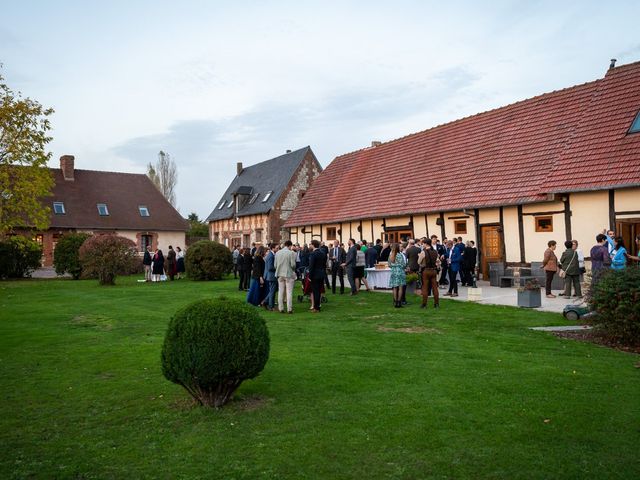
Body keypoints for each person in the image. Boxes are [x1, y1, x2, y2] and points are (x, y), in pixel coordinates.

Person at [275, 240, 297, 313]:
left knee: (280, 291)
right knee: (289, 292)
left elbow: (275, 265)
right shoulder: (291, 253)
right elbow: (293, 265)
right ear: (290, 246)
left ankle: (280, 308)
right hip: (288, 274)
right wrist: (293, 268)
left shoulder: (277, 253)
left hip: (280, 274)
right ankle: (289, 309)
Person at [418, 238, 440, 309]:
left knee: (425, 287)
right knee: (435, 287)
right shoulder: (435, 251)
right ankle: (436, 304)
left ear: (425, 244)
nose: (422, 245)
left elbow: (418, 262)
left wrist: (421, 260)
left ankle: (424, 304)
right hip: (434, 270)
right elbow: (438, 262)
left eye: (423, 243)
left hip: (426, 271)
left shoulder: (423, 252)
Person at [308, 240, 327, 313]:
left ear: (313, 245)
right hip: (321, 273)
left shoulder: (313, 254)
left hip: (315, 275)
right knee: (319, 291)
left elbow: (311, 266)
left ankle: (316, 308)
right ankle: (318, 306)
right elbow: (324, 264)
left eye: (310, 244)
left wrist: (310, 276)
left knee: (315, 291)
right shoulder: (322, 253)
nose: (310, 246)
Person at [388, 243, 407, 308]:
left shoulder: (390, 255)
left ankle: (395, 302)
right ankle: (399, 302)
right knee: (400, 288)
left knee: (395, 288)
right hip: (400, 272)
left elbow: (389, 265)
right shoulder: (399, 255)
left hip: (393, 272)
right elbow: (403, 265)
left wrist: (394, 266)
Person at [261, 243, 278, 311]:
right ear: (272, 248)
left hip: (269, 275)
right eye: (276, 248)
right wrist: (277, 268)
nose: (277, 249)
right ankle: (270, 306)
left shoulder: (271, 255)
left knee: (272, 290)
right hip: (271, 276)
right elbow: (270, 267)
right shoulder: (271, 256)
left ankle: (266, 302)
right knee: (272, 291)